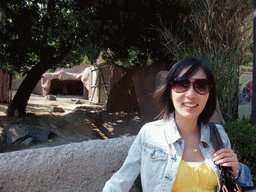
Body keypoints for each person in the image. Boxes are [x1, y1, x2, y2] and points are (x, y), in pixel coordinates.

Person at [103, 57, 254, 192]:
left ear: (209, 93)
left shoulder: (219, 135)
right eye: (182, 84)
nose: (190, 94)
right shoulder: (150, 134)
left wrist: (237, 171)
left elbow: (236, 184)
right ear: (170, 90)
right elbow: (119, 183)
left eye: (201, 85)